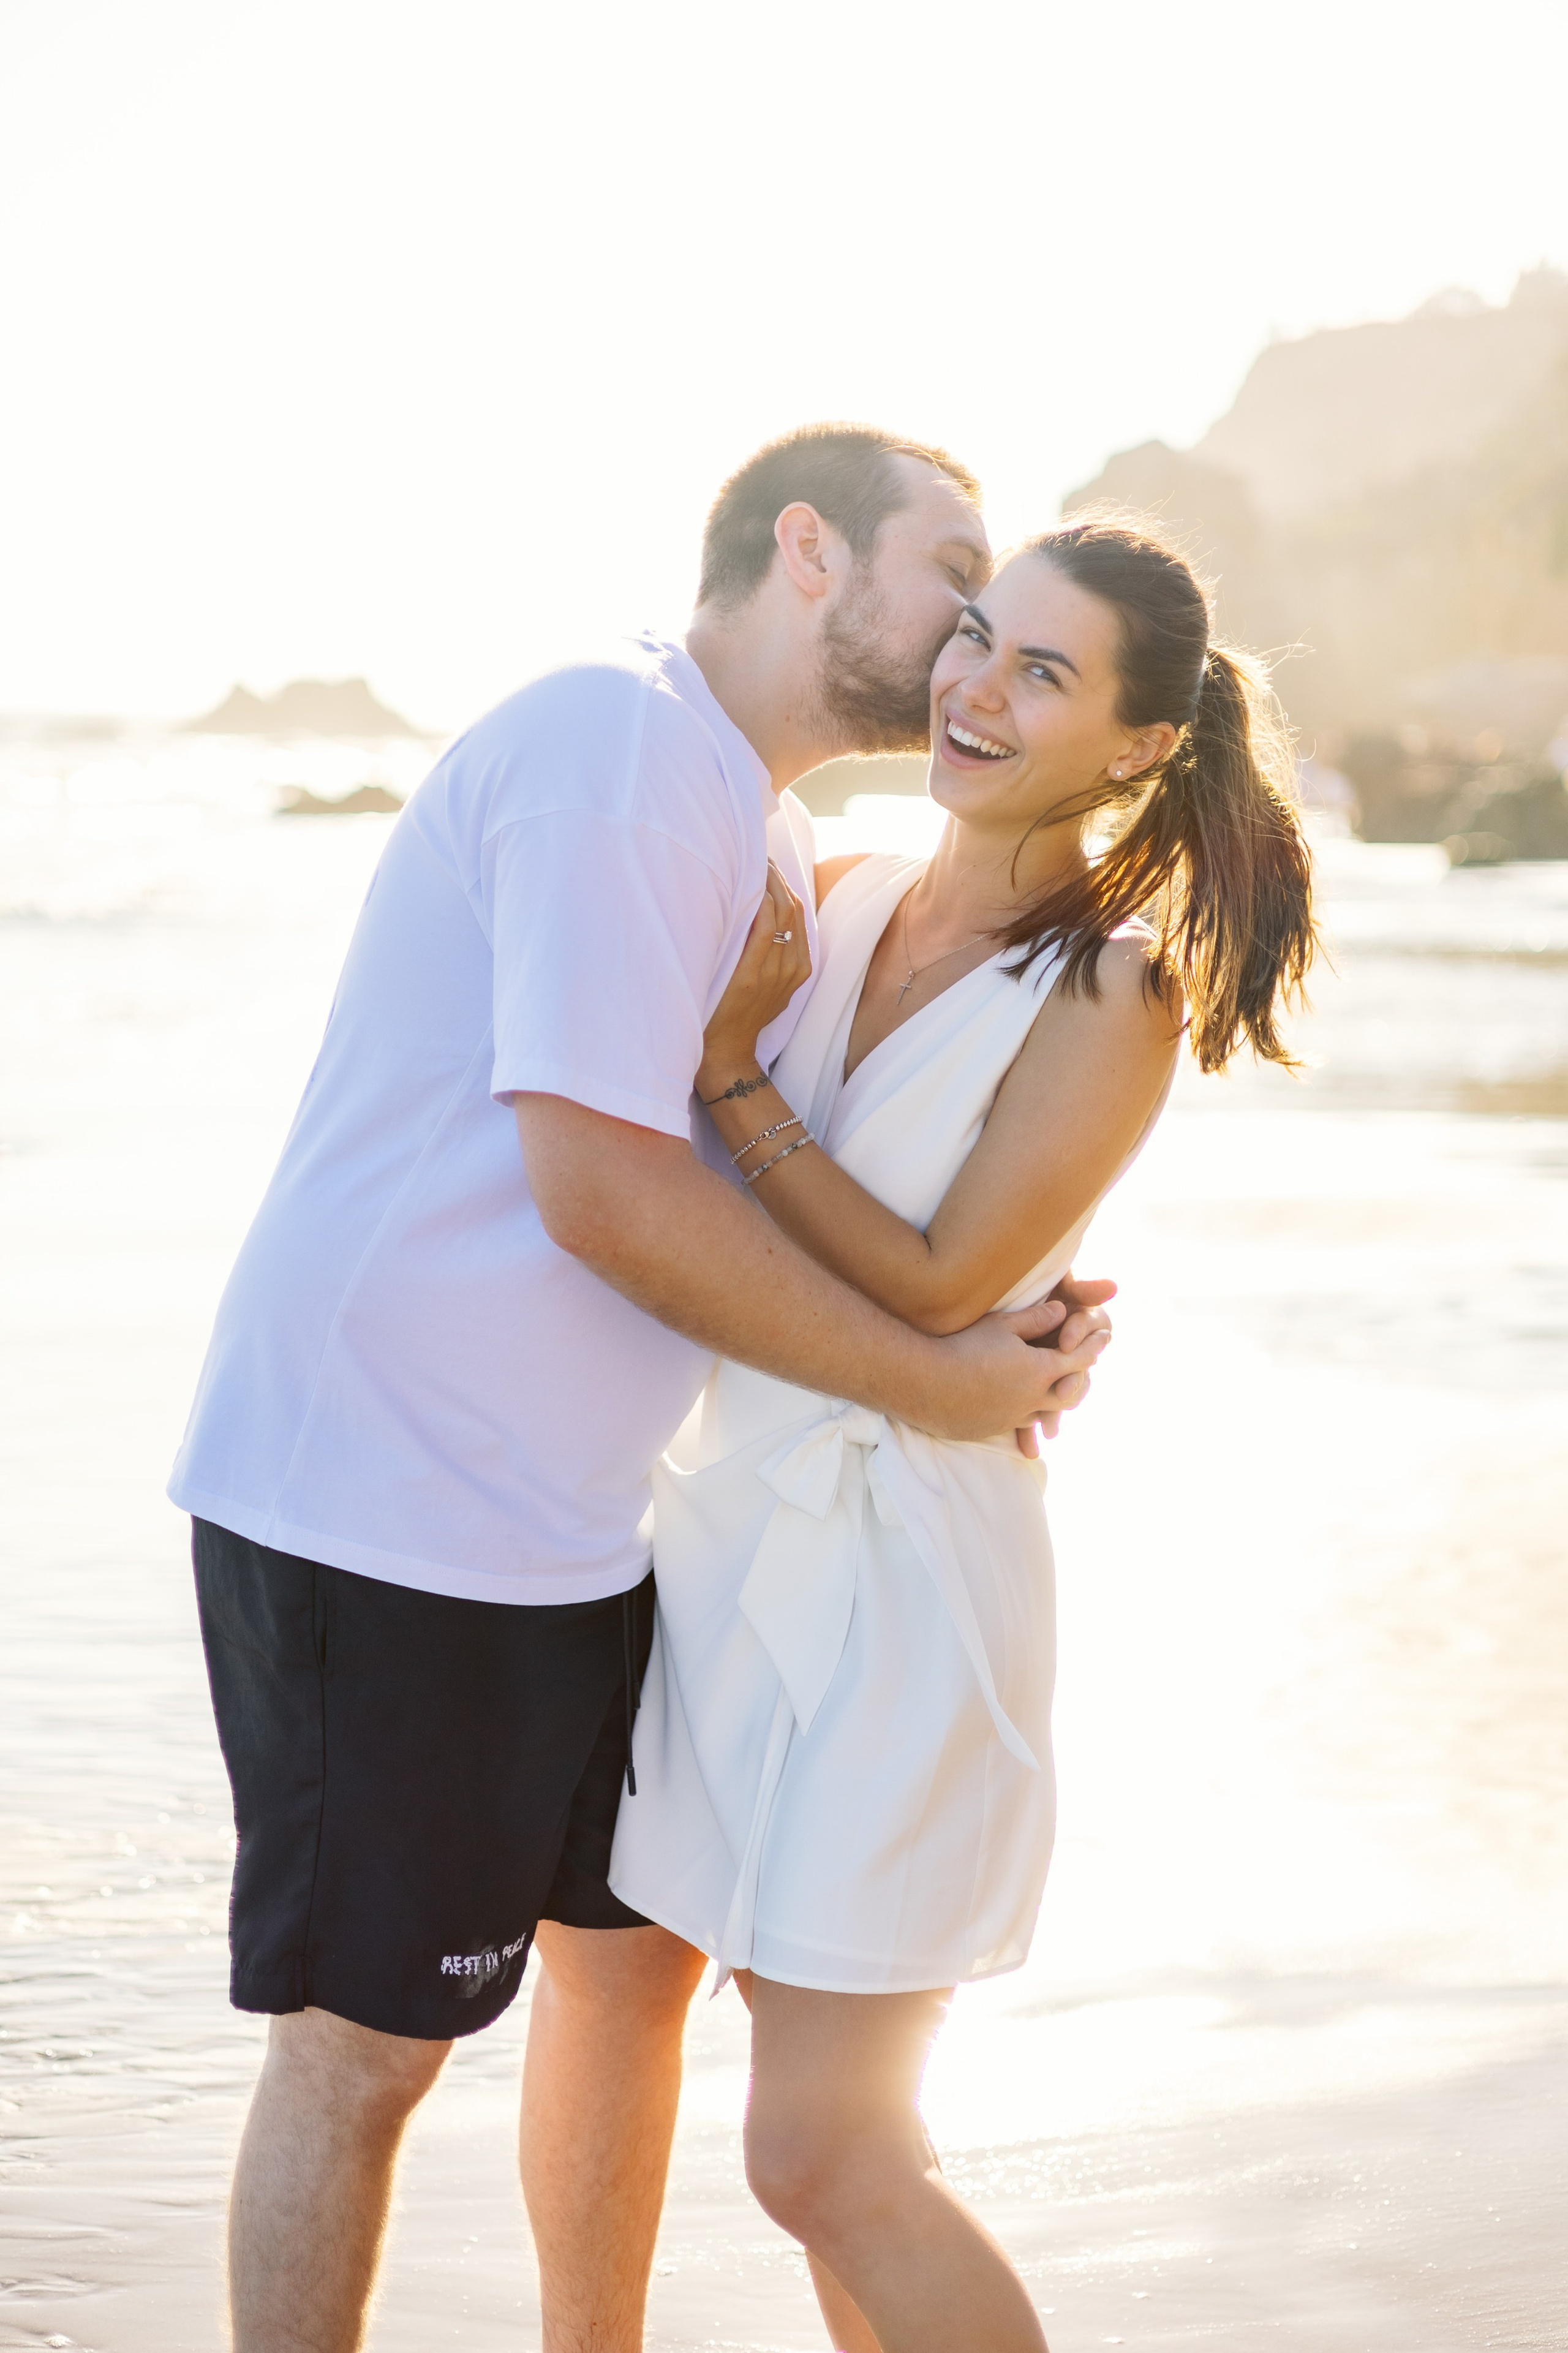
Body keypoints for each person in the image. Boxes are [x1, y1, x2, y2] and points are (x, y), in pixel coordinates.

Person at [167, 424, 1113, 2353]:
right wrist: (935, 1377)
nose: (967, 631)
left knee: (628, 1971)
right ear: (811, 554)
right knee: (364, 2058)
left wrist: (1017, 1287)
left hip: (580, 1533)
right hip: (388, 1504)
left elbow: (890, 1091)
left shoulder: (751, 819)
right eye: (954, 574)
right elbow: (598, 1187)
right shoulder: (615, 759)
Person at [609, 516, 1317, 2353]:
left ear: (1143, 745)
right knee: (845, 2137)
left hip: (910, 1588)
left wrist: (732, 1082)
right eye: (981, 640)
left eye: (1045, 674)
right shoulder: (835, 895)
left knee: (821, 2160)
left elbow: (933, 1288)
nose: (977, 689)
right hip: (737, 1544)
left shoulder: (1114, 988)